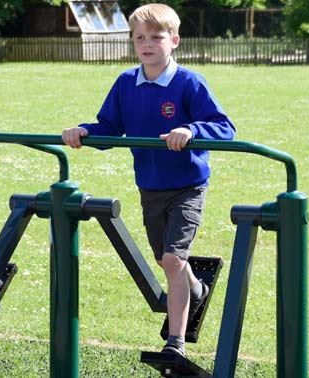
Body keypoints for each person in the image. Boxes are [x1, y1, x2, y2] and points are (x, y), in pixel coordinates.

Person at [61, 3, 235, 357]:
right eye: (140, 37)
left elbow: (225, 128)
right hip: (150, 185)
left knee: (172, 260)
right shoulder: (127, 83)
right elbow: (110, 127)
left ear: (174, 41)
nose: (147, 44)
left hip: (187, 185)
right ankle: (197, 290)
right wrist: (84, 131)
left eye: (156, 37)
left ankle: (177, 342)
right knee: (166, 260)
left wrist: (190, 129)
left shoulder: (189, 82)